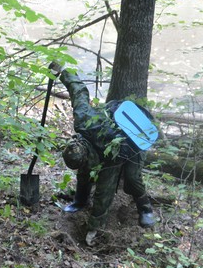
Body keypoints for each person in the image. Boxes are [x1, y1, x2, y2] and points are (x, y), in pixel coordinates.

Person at [50, 62, 157, 245]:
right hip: (115, 124)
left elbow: (104, 194)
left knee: (132, 178)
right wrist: (63, 72)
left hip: (135, 138)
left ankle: (145, 208)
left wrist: (93, 228)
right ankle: (80, 201)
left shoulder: (111, 153)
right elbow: (79, 92)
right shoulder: (83, 120)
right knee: (85, 173)